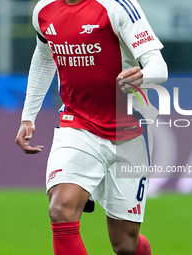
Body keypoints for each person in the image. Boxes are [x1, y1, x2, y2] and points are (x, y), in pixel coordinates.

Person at [15, 0, 168, 254]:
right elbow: (43, 59)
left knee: (125, 245)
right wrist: (28, 116)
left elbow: (158, 65)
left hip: (129, 133)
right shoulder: (44, 10)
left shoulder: (118, 6)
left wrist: (143, 75)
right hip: (77, 126)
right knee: (60, 208)